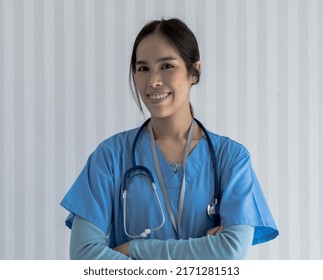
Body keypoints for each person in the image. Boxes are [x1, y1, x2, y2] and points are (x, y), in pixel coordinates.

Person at [60, 18, 278, 260]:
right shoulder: (110, 157)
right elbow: (84, 255)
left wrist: (136, 249)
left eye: (166, 66)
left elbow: (231, 252)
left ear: (194, 71)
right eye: (143, 69)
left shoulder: (231, 158)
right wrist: (204, 252)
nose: (153, 81)